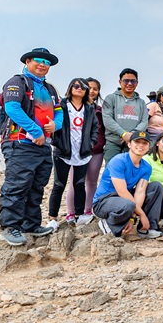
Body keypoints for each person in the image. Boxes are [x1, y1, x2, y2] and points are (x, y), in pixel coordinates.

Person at [0, 47, 63, 245]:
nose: (43, 64)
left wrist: (55, 125)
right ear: (27, 61)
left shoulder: (50, 89)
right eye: (39, 60)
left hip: (43, 146)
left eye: (47, 62)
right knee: (17, 185)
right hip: (20, 143)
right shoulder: (17, 82)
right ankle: (9, 227)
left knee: (36, 186)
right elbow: (12, 108)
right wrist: (36, 132)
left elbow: (58, 112)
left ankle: (31, 225)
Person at [91, 130, 163, 238]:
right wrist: (142, 214)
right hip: (103, 201)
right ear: (129, 144)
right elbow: (122, 191)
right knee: (129, 204)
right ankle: (109, 223)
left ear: (148, 147)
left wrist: (132, 218)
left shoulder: (146, 167)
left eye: (144, 143)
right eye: (137, 142)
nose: (140, 145)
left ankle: (147, 228)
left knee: (156, 187)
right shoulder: (119, 160)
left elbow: (140, 192)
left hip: (123, 200)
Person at [48, 78, 100, 228]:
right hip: (63, 151)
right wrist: (56, 141)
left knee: (79, 184)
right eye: (76, 85)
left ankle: (78, 215)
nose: (79, 88)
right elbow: (53, 122)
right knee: (59, 184)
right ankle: (52, 218)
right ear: (70, 87)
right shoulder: (61, 105)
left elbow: (94, 128)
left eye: (83, 87)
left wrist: (91, 143)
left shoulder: (89, 108)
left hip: (82, 152)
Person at [66, 77, 105, 226]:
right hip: (75, 152)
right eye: (89, 88)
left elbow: (102, 130)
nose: (92, 91)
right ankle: (71, 212)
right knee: (75, 183)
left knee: (92, 182)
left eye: (96, 89)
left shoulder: (99, 111)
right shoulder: (71, 107)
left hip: (96, 151)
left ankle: (87, 211)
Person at [101, 68, 148, 163]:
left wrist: (131, 136)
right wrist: (123, 134)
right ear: (120, 82)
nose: (129, 83)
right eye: (126, 81)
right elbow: (107, 119)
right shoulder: (111, 98)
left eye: (133, 81)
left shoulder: (141, 102)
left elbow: (144, 122)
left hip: (133, 144)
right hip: (113, 142)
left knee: (130, 173)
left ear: (137, 83)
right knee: (111, 172)